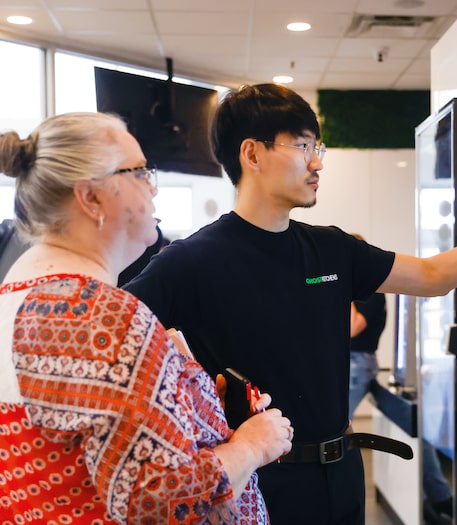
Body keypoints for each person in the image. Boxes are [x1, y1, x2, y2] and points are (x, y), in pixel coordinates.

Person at [124, 83, 457, 523]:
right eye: (302, 146)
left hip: (342, 473)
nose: (316, 163)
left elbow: (434, 275)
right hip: (258, 483)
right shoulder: (192, 260)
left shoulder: (332, 249)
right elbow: (119, 337)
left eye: (317, 149)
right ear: (252, 153)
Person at [0, 112, 294, 524]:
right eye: (139, 172)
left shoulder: (17, 295)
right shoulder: (102, 316)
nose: (153, 189)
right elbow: (159, 501)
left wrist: (201, 414)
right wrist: (252, 446)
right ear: (91, 197)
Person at [344, 246, 452, 524]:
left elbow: (354, 326)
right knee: (412, 424)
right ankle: (440, 498)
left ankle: (440, 499)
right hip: (356, 364)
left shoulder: (368, 291)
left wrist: (343, 288)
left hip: (357, 363)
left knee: (332, 429)